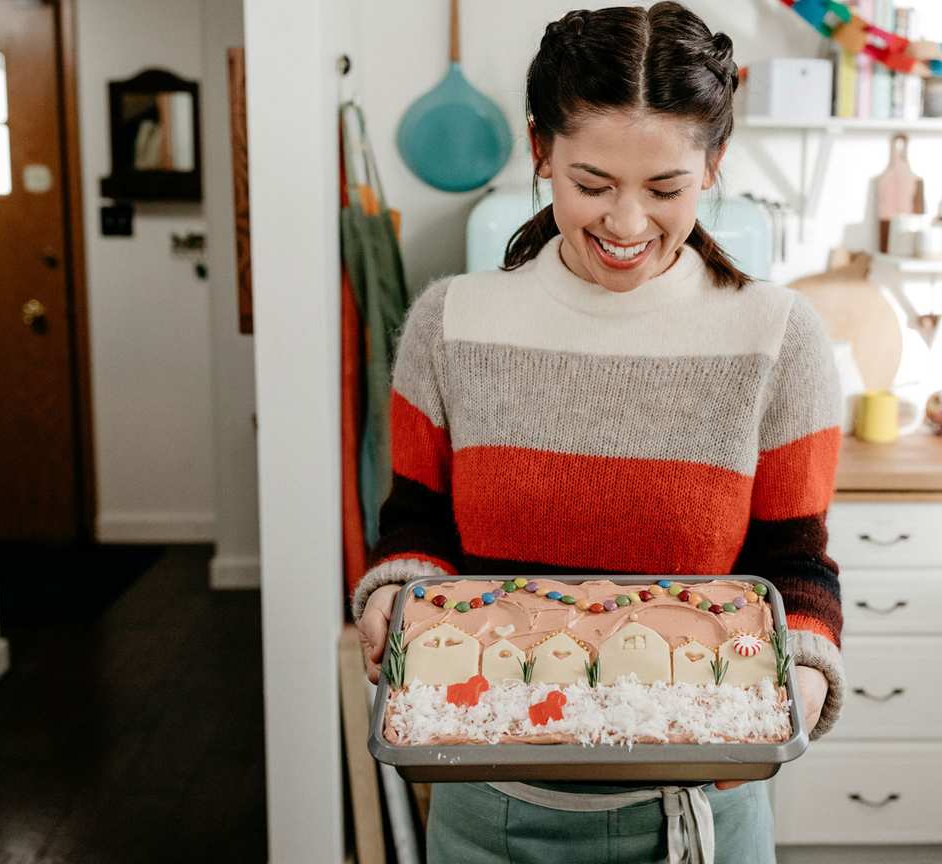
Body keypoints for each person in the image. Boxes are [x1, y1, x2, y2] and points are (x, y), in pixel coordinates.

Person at [351, 4, 844, 861]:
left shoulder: (778, 337)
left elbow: (793, 562)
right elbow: (419, 525)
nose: (625, 225)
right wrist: (399, 592)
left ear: (714, 165)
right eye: (591, 184)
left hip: (697, 816)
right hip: (488, 806)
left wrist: (796, 670)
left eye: (665, 189)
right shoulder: (450, 323)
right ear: (540, 150)